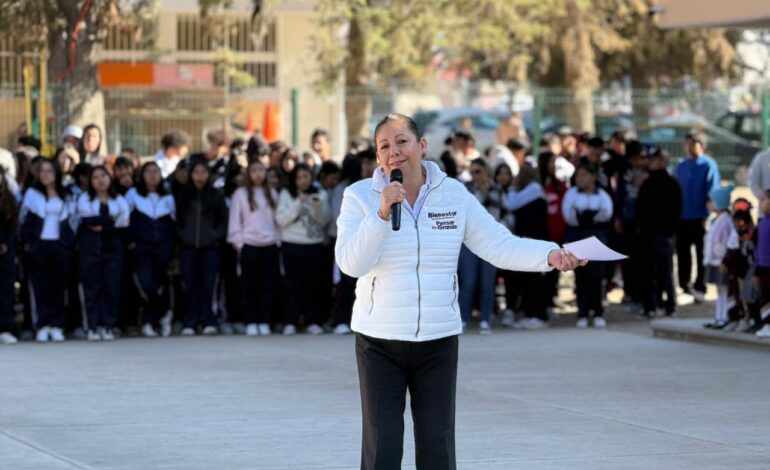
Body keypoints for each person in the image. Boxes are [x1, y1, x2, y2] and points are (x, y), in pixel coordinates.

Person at [335, 113, 585, 470]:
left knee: (438, 445)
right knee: (383, 446)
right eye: (384, 146)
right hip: (379, 342)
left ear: (422, 146)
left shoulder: (453, 195)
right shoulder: (359, 197)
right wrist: (380, 215)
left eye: (402, 142)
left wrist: (550, 254)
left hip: (438, 340)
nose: (394, 152)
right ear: (377, 157)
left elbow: (499, 244)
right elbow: (350, 264)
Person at [19, 159, 75, 343]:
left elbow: (73, 221)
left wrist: (67, 243)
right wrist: (28, 243)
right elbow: (23, 220)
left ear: (57, 173)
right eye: (41, 171)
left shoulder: (66, 194)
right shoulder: (32, 194)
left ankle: (57, 325)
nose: (45, 174)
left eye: (49, 170)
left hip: (59, 246)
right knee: (39, 287)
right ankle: (42, 325)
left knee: (58, 287)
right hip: (38, 246)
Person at [275, 163, 331, 335]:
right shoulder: (286, 194)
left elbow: (324, 220)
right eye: (299, 177)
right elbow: (281, 220)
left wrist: (315, 205)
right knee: (292, 284)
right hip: (291, 243)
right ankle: (290, 321)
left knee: (313, 285)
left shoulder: (320, 193)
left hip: (313, 245)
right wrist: (298, 203)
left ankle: (312, 321)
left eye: (306, 176)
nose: (303, 181)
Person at [76, 166, 130, 341]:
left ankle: (108, 325)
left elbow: (123, 222)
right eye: (95, 177)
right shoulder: (84, 199)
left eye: (103, 176)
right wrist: (110, 221)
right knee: (92, 288)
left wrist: (102, 223)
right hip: (90, 250)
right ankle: (92, 326)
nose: (100, 180)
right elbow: (87, 221)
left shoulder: (119, 199)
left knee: (111, 287)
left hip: (113, 249)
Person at [227, 159, 280, 337]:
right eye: (254, 170)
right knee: (248, 286)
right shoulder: (240, 194)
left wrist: (277, 241)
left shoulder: (272, 193)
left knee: (268, 286)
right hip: (249, 245)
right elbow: (235, 221)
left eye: (261, 170)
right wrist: (240, 243)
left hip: (270, 245)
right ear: (248, 174)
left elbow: (277, 222)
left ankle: (264, 320)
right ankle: (251, 321)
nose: (258, 174)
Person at [175, 160, 228, 336]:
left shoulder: (216, 195)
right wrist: (184, 236)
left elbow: (223, 220)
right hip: (188, 248)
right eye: (196, 172)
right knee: (189, 285)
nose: (199, 177)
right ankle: (189, 322)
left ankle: (208, 321)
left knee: (208, 285)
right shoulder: (183, 195)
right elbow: (178, 220)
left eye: (203, 172)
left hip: (210, 248)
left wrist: (214, 236)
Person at [125, 162, 177, 338]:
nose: (152, 175)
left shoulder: (168, 197)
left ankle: (152, 321)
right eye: (148, 171)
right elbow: (126, 220)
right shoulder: (133, 195)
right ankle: (160, 315)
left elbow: (173, 224)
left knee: (160, 285)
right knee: (146, 285)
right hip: (142, 250)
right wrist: (132, 243)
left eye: (156, 172)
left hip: (162, 250)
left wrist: (170, 247)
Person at [458, 158, 508, 335]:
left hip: (490, 242)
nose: (475, 176)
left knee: (487, 282)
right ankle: (463, 318)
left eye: (478, 172)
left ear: (487, 171)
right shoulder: (466, 189)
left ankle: (485, 319)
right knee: (468, 281)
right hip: (469, 242)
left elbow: (506, 213)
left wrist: (502, 233)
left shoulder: (497, 190)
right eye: (472, 172)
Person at [562, 163, 614, 328]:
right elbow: (568, 215)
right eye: (578, 176)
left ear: (593, 177)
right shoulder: (571, 193)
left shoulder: (602, 195)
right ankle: (582, 312)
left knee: (597, 275)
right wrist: (584, 218)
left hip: (596, 236)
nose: (580, 179)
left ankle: (598, 311)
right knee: (581, 276)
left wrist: (590, 217)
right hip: (577, 235)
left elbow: (606, 212)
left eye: (584, 175)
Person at [635, 148, 682, 317]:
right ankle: (650, 305)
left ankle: (670, 304)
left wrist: (670, 233)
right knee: (647, 271)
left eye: (656, 159)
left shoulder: (671, 184)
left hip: (663, 235)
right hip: (647, 234)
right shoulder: (646, 183)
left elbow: (676, 210)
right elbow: (640, 209)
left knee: (665, 271)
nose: (651, 162)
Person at [675, 130, 720, 302]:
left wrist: (708, 214)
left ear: (701, 145)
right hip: (682, 217)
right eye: (687, 144)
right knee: (682, 253)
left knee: (702, 253)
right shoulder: (681, 165)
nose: (689, 148)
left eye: (692, 144)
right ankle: (685, 284)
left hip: (700, 217)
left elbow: (712, 191)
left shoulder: (708, 165)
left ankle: (701, 285)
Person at [508, 164, 550, 330]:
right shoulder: (529, 191)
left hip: (536, 242)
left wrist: (511, 189)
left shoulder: (535, 188)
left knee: (536, 279)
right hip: (526, 242)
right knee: (527, 278)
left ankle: (538, 315)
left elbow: (512, 203)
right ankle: (530, 314)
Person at [703, 185, 739, 329]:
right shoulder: (715, 220)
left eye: (711, 201)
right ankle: (719, 316)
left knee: (724, 290)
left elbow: (727, 242)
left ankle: (724, 316)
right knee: (719, 290)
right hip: (715, 261)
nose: (708, 204)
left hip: (722, 262)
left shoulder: (726, 221)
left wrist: (724, 259)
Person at [0, 166, 18, 344]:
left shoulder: (9, 200)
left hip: (5, 253)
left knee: (6, 292)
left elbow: (13, 227)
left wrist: (5, 243)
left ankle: (6, 328)